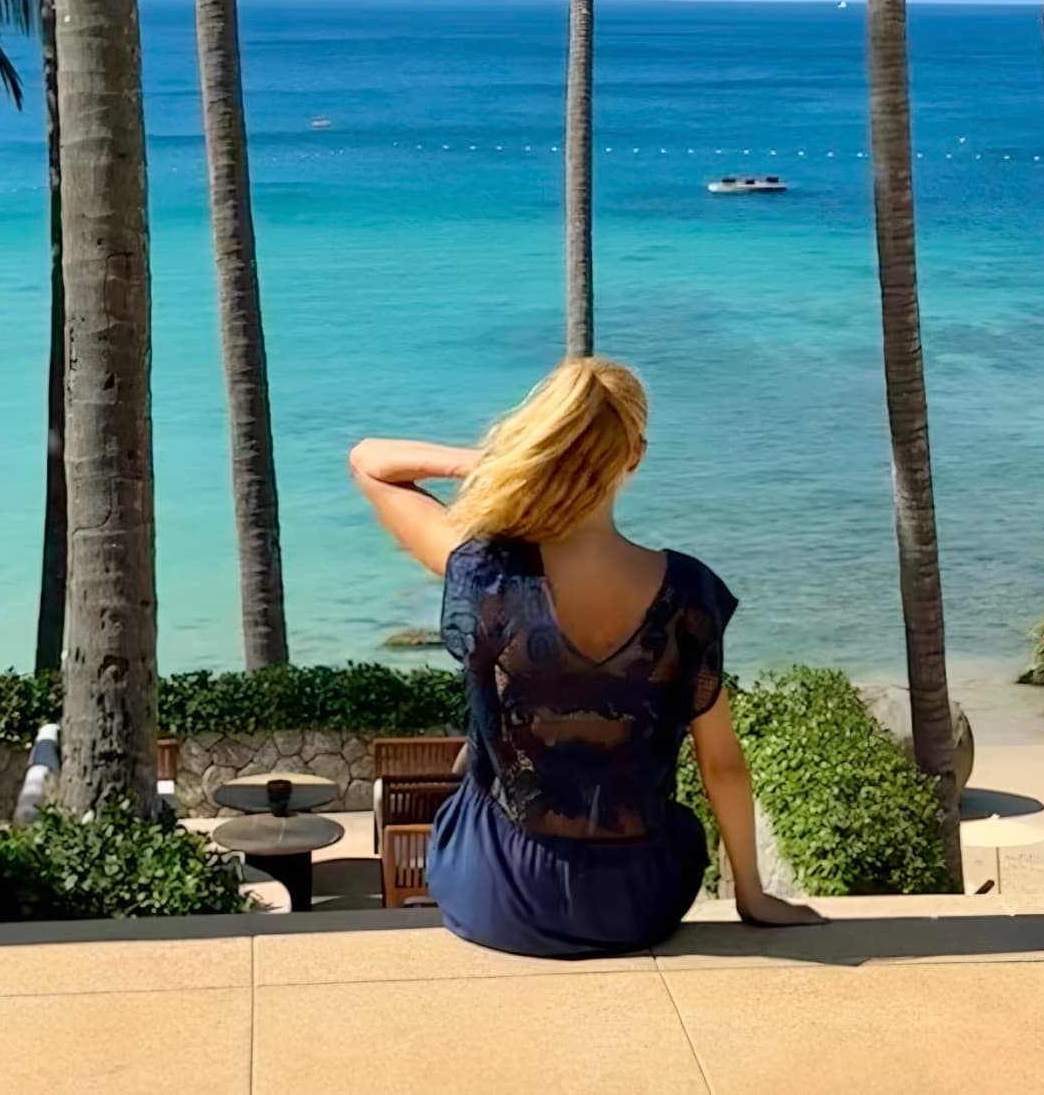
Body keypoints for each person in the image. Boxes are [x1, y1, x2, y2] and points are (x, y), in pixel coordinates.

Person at [349, 356, 820, 956]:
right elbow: (722, 764)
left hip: (499, 898)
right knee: (674, 825)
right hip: (635, 906)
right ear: (635, 456)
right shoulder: (688, 594)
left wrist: (487, 464)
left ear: (538, 447)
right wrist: (751, 895)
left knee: (475, 771)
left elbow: (370, 461)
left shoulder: (485, 573)